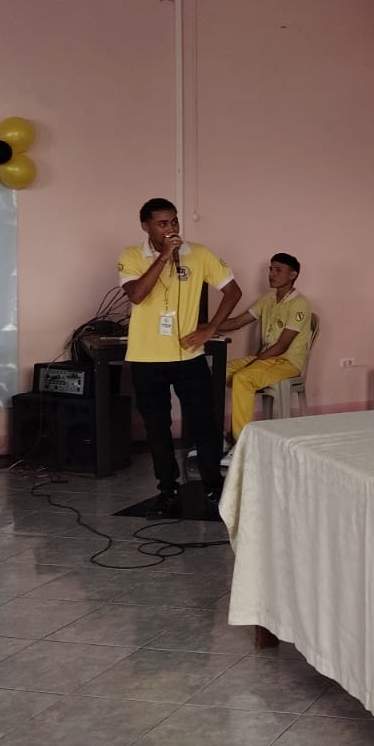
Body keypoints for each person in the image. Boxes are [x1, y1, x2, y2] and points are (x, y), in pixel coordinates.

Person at [119, 198, 241, 516]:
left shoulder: (199, 254)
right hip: (146, 358)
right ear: (145, 226)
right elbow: (137, 294)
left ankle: (213, 485)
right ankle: (168, 489)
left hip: (189, 357)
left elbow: (233, 291)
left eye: (174, 221)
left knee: (205, 423)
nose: (171, 228)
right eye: (162, 223)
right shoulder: (131, 256)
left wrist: (210, 328)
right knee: (157, 427)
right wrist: (163, 257)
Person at [217, 253, 312, 445]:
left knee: (243, 378)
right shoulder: (268, 299)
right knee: (217, 373)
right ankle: (215, 435)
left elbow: (282, 345)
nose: (271, 274)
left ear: (293, 274)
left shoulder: (300, 304)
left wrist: (253, 363)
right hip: (266, 359)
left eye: (278, 270)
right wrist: (205, 327)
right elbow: (237, 322)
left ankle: (241, 442)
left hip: (286, 362)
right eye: (270, 269)